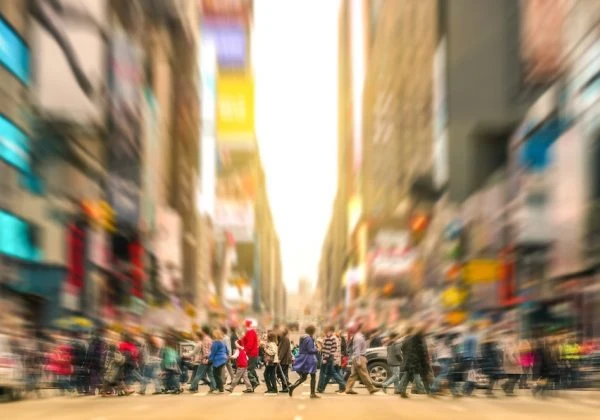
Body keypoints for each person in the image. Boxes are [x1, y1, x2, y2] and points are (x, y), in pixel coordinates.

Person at [397, 325, 433, 398]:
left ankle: (403, 392)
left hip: (410, 360)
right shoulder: (417, 338)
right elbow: (423, 349)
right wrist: (425, 358)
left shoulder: (406, 339)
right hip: (417, 360)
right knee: (424, 375)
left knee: (408, 376)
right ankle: (429, 392)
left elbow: (402, 349)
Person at [344, 324, 380, 395]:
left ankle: (348, 389)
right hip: (359, 356)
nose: (366, 329)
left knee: (354, 375)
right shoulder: (359, 337)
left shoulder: (358, 336)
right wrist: (358, 360)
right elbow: (357, 349)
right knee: (364, 374)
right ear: (361, 328)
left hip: (358, 356)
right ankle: (371, 388)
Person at [288, 325, 320, 399]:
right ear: (312, 331)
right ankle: (312, 394)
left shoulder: (303, 337)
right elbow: (310, 350)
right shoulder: (309, 338)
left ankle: (292, 387)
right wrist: (317, 349)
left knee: (304, 377)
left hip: (303, 358)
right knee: (313, 376)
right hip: (309, 359)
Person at [317, 326, 346, 393]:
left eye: (326, 331)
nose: (325, 333)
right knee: (331, 373)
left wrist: (325, 358)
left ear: (330, 331)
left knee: (324, 373)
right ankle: (321, 388)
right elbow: (334, 348)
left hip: (328, 357)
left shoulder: (330, 338)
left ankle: (320, 388)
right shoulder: (335, 338)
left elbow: (327, 349)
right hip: (332, 357)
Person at [240, 319, 260, 389]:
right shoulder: (250, 332)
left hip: (251, 353)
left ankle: (254, 383)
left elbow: (249, 344)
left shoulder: (250, 332)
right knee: (251, 369)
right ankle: (255, 382)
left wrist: (245, 351)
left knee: (248, 369)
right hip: (252, 353)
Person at [501, 332, 522, 396]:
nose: (516, 336)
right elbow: (510, 354)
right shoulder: (510, 343)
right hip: (512, 364)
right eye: (515, 335)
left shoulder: (511, 343)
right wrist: (514, 361)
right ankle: (509, 390)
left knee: (514, 377)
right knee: (515, 377)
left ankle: (507, 388)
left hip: (511, 363)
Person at [210, 328, 229, 393]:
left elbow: (213, 352)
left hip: (218, 360)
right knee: (218, 374)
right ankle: (220, 388)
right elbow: (227, 350)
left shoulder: (216, 342)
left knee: (216, 375)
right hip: (223, 359)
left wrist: (210, 359)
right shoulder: (222, 342)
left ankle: (220, 389)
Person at [277, 327, 292, 392]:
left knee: (280, 372)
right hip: (284, 359)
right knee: (283, 373)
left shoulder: (285, 339)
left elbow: (283, 350)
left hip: (284, 360)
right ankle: (285, 387)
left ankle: (288, 384)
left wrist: (279, 359)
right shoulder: (282, 339)